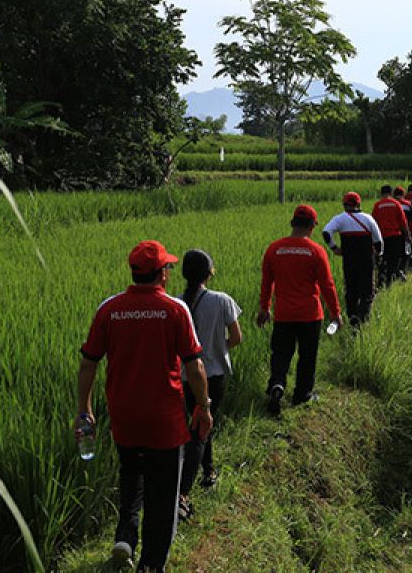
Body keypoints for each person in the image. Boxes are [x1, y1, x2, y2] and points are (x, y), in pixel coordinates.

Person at [77, 240, 212, 573]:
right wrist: (204, 407)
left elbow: (89, 363)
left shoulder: (109, 309)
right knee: (163, 493)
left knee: (131, 472)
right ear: (162, 275)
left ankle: (125, 535)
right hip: (164, 421)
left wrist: (85, 409)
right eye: (167, 267)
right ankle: (151, 564)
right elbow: (194, 366)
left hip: (124, 416)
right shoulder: (175, 310)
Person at [258, 205, 342, 416]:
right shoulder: (316, 251)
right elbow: (327, 285)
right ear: (312, 227)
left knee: (281, 354)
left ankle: (277, 385)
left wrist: (265, 308)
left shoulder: (274, 249)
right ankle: (302, 393)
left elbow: (267, 282)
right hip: (310, 315)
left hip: (284, 314)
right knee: (307, 355)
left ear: (292, 223)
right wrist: (336, 312)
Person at [177, 249, 242, 520]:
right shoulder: (221, 300)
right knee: (202, 428)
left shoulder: (176, 302)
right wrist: (218, 350)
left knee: (198, 425)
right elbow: (236, 337)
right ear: (209, 273)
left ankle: (207, 471)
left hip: (183, 376)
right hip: (213, 374)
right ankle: (188, 488)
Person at [322, 192, 383, 329]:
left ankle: (353, 320)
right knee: (367, 292)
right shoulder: (368, 219)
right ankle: (363, 319)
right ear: (358, 204)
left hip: (349, 261)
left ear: (344, 205)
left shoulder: (340, 219)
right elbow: (378, 242)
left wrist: (334, 248)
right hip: (366, 261)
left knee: (351, 291)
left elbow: (326, 232)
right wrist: (379, 255)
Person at [371, 185, 411, 287]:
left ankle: (381, 280)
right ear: (391, 193)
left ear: (381, 193)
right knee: (393, 259)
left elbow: (373, 223)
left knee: (382, 259)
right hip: (395, 236)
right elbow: (403, 222)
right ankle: (389, 280)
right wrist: (407, 235)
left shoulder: (377, 205)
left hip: (381, 237)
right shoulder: (396, 204)